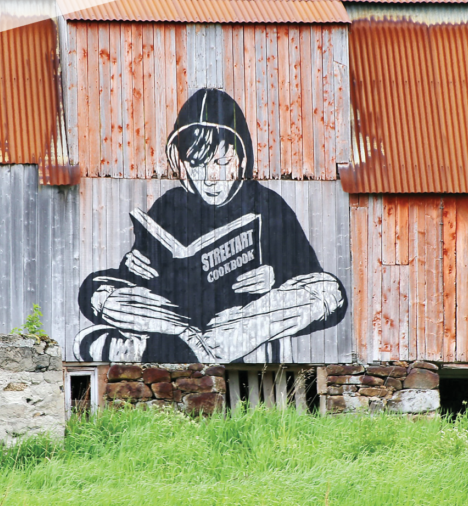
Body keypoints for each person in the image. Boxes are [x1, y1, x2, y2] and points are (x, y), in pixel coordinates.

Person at [76, 88, 346, 363]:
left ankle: (150, 347)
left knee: (328, 291)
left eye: (222, 162)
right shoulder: (168, 206)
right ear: (181, 165)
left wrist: (275, 277)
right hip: (177, 315)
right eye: (197, 165)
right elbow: (145, 286)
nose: (210, 178)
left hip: (241, 321)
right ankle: (194, 345)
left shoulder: (267, 204)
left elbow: (310, 276)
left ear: (241, 160)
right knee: (96, 290)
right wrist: (133, 267)